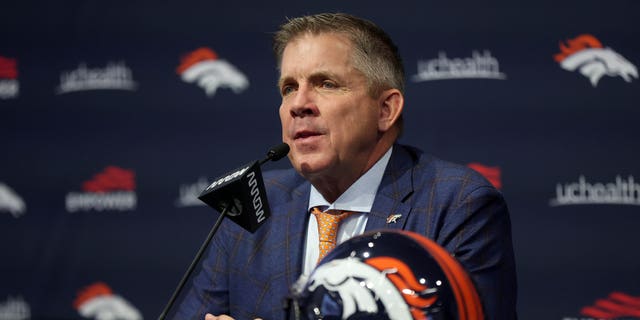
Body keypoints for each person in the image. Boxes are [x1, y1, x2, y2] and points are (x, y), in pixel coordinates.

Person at [178, 12, 517, 320]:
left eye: (326, 84)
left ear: (385, 110)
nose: (298, 105)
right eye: (289, 87)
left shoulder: (457, 205)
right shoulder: (255, 204)